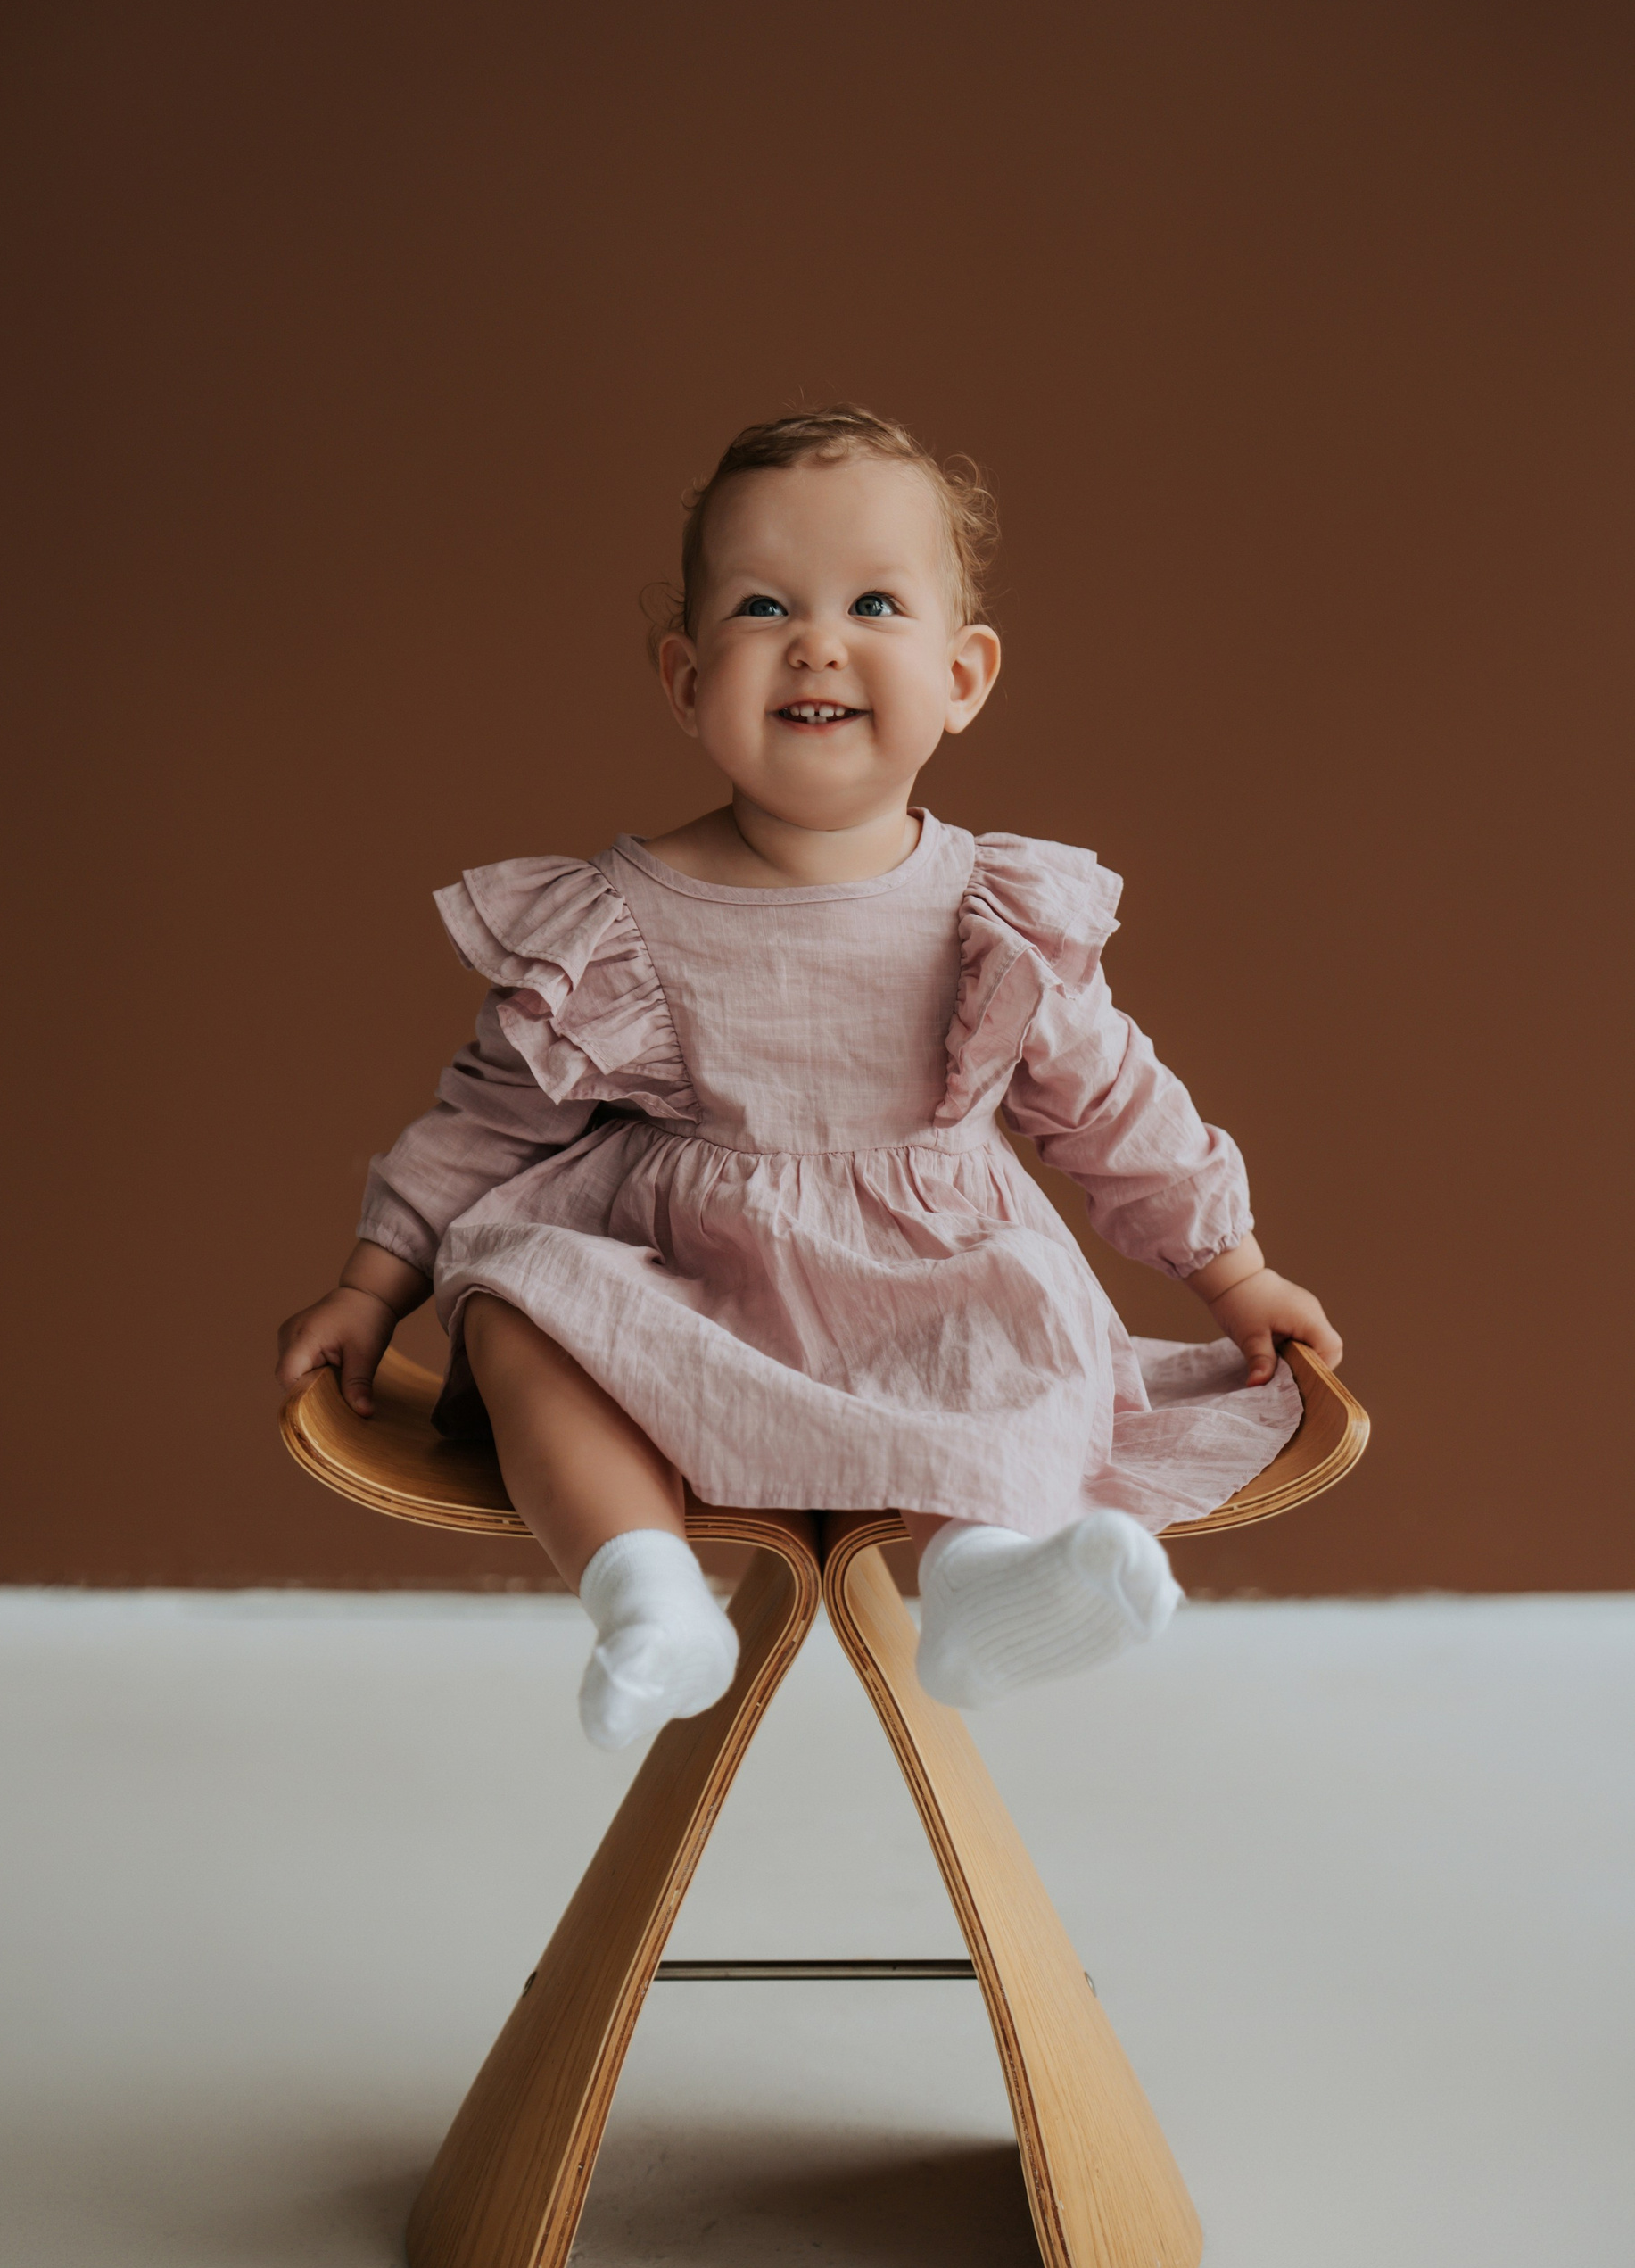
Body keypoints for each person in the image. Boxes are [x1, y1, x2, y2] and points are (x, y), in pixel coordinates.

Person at [277, 408, 1342, 1751]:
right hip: (689, 1304)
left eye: (873, 604)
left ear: (962, 677)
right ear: (685, 680)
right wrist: (373, 1287)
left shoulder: (993, 911)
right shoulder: (616, 915)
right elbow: (485, 1120)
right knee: (512, 1295)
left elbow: (1114, 1102)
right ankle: (645, 1590)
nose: (817, 642)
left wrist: (1234, 1273)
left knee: (1028, 1331)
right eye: (763, 605)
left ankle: (984, 1578)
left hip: (932, 1287)